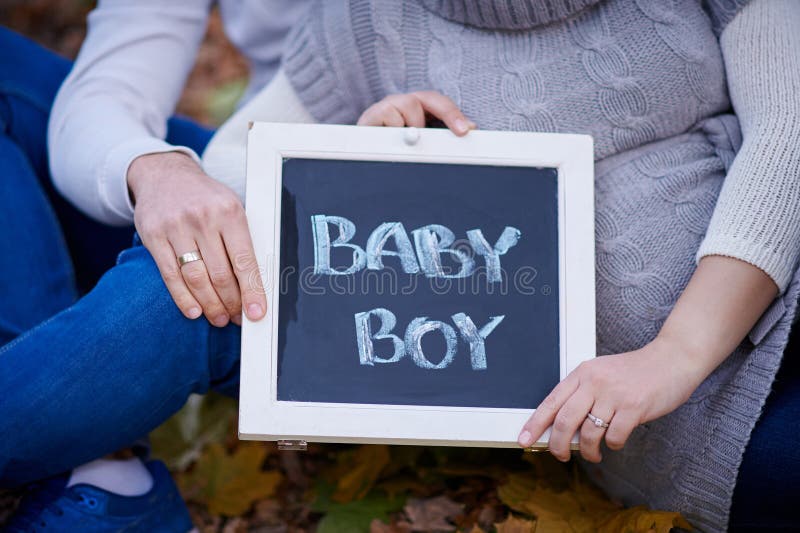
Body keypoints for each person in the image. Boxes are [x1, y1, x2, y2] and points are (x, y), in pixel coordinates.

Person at [0, 0, 796, 531]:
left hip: (757, 305)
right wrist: (351, 159)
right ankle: (80, 453)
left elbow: (788, 131)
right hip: (697, 422)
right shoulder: (362, 22)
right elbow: (236, 166)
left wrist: (676, 352)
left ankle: (82, 453)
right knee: (184, 279)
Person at [0, 1, 307, 530]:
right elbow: (119, 74)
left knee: (178, 294)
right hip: (260, 162)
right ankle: (96, 470)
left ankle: (80, 445)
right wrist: (151, 167)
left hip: (390, 269)